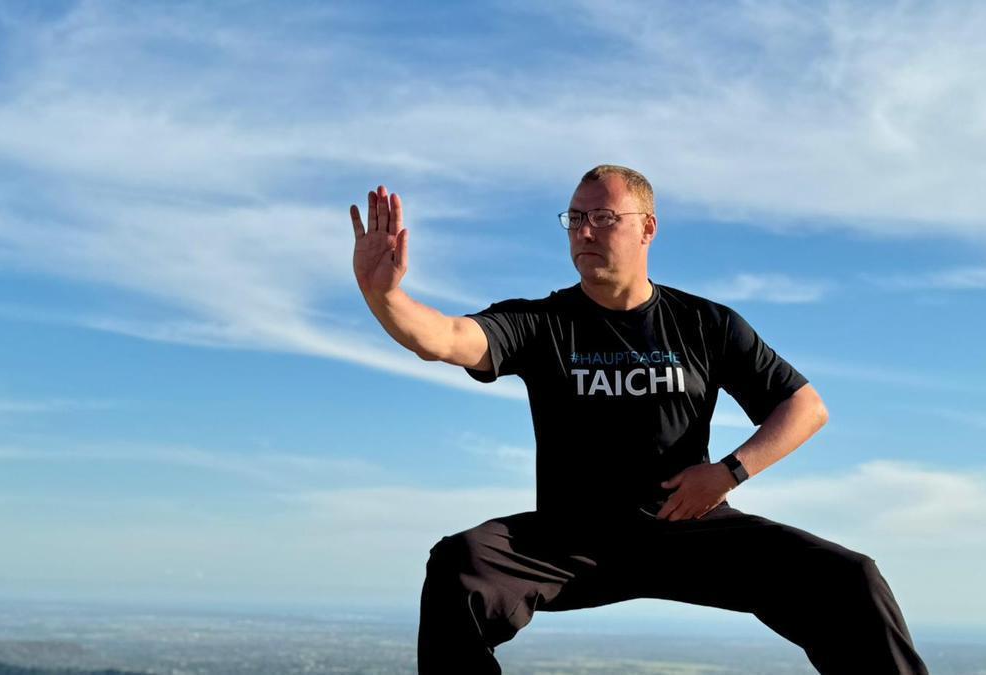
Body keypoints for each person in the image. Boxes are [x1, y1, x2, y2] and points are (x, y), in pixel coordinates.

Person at [350, 165, 930, 674]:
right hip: (572, 536)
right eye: (574, 218)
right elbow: (445, 339)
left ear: (647, 227)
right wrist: (387, 299)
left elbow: (805, 407)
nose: (583, 231)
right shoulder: (541, 322)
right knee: (461, 566)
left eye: (602, 217)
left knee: (849, 580)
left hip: (689, 526)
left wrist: (729, 472)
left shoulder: (705, 323)